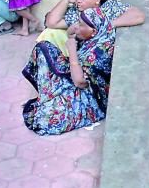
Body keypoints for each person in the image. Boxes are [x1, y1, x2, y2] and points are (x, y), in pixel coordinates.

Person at [22, 7, 115, 135]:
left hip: (89, 96)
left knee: (45, 119)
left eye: (80, 25)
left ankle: (49, 98)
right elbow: (70, 32)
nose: (76, 26)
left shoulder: (99, 52)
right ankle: (48, 95)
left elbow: (80, 83)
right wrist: (76, 29)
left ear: (93, 31)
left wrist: (71, 50)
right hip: (77, 74)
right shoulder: (97, 36)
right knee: (43, 48)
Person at [40, 0, 145, 55]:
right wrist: (66, 0)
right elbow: (51, 23)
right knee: (48, 33)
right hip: (81, 53)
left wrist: (109, 24)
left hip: (100, 55)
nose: (78, 0)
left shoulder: (110, 6)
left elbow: (138, 15)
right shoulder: (77, 11)